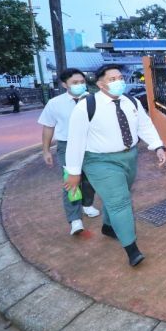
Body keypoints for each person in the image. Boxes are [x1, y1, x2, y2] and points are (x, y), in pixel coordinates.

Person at [64, 64, 166, 266]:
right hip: (99, 162)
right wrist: (74, 172)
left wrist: (158, 146)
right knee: (120, 201)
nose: (119, 81)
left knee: (118, 196)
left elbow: (144, 126)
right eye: (112, 79)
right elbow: (75, 141)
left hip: (129, 157)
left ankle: (109, 226)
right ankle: (132, 249)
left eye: (120, 77)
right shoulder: (86, 106)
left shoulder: (131, 101)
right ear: (100, 84)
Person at [38, 68, 101, 236]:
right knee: (71, 181)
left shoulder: (93, 99)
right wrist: (46, 151)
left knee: (89, 179)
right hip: (67, 146)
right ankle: (75, 218)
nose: (80, 85)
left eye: (82, 82)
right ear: (64, 84)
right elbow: (48, 127)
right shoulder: (55, 103)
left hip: (90, 145)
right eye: (75, 83)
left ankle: (87, 204)